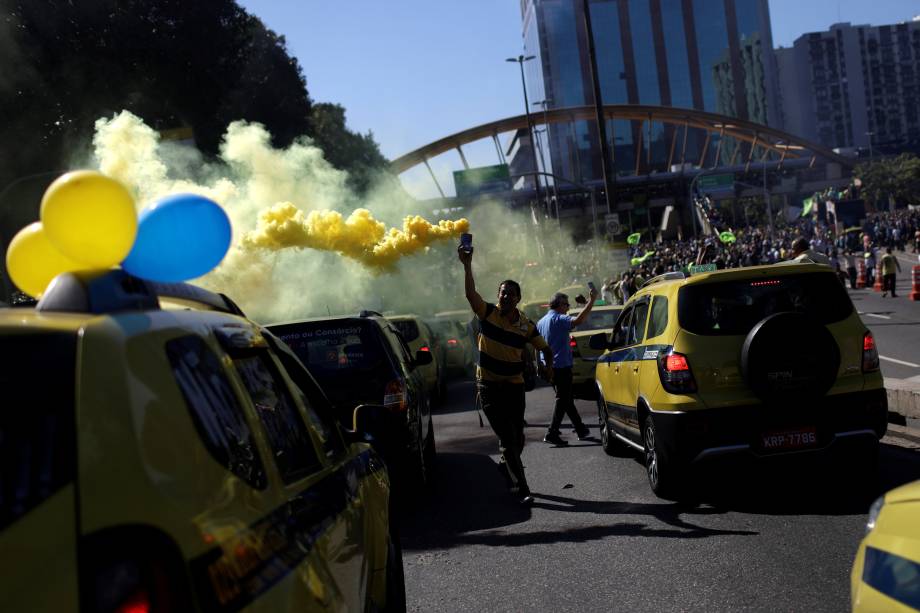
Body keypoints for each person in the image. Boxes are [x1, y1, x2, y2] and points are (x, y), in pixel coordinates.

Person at [459, 244, 553, 506]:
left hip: (514, 387)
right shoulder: (487, 312)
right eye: (502, 292)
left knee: (517, 438)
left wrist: (547, 366)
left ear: (518, 299)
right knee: (507, 438)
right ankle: (523, 487)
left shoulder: (526, 325)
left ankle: (505, 465)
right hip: (488, 387)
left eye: (510, 294)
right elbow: (470, 293)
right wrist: (467, 265)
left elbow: (545, 348)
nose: (505, 296)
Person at [537, 288, 598, 446]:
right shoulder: (559, 318)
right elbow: (578, 321)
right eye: (566, 304)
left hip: (549, 367)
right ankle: (552, 432)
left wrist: (539, 365)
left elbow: (536, 346)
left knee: (566, 399)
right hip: (561, 366)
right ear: (558, 304)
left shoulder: (541, 322)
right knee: (563, 399)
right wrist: (591, 300)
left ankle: (580, 429)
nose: (568, 307)